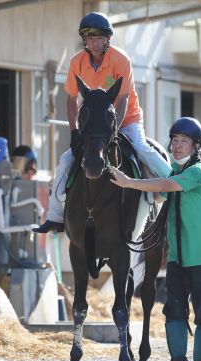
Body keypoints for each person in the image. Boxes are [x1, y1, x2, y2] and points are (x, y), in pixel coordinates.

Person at [110, 117, 201, 361]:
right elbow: (157, 195)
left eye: (183, 141)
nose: (176, 145)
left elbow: (165, 187)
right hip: (177, 260)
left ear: (195, 147)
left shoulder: (197, 173)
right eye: (174, 140)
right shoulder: (174, 172)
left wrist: (129, 183)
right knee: (174, 312)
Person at [33, 11, 170, 233]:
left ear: (108, 40)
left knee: (142, 148)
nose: (93, 43)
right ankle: (55, 216)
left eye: (98, 38)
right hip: (93, 127)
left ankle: (174, 183)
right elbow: (71, 100)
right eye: (89, 39)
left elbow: (123, 100)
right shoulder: (76, 62)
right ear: (84, 41)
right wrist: (75, 132)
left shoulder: (121, 60)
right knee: (65, 160)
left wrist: (114, 130)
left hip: (126, 119)